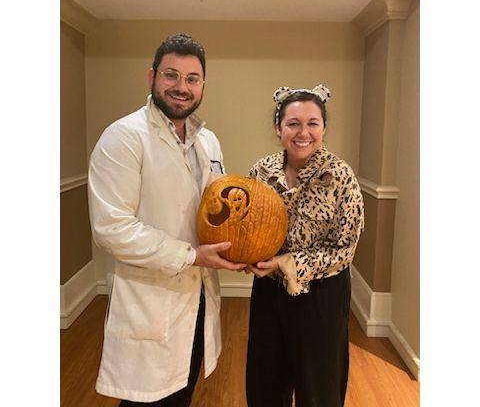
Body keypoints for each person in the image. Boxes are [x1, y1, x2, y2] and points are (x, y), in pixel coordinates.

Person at [88, 33, 246, 406]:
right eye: (171, 75)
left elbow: (219, 209)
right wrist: (193, 256)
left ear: (203, 85)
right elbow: (113, 229)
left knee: (184, 392)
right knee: (149, 400)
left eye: (192, 79)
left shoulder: (208, 141)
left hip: (198, 300)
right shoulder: (124, 138)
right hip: (151, 303)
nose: (181, 87)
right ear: (152, 77)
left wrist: (242, 249)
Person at [245, 85, 364, 407]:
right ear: (278, 127)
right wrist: (247, 256)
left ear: (324, 128)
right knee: (265, 380)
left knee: (319, 388)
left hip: (322, 296)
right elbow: (248, 226)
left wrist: (287, 263)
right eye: (293, 123)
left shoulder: (340, 177)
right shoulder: (261, 171)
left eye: (313, 123)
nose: (303, 132)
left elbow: (344, 249)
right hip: (270, 293)